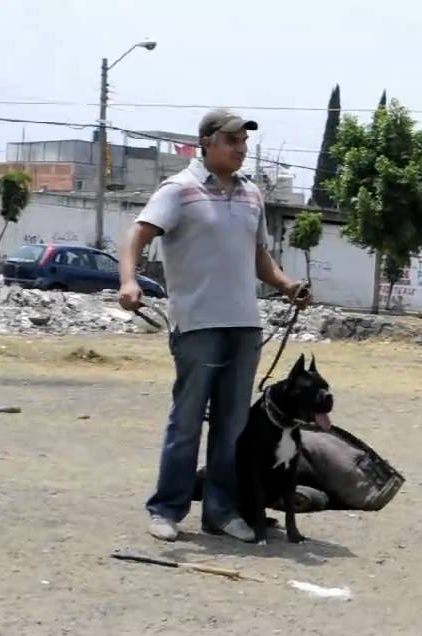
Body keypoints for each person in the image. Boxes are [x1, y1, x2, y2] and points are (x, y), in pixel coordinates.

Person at [118, 109, 309, 543]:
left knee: (232, 427)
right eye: (232, 140)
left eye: (244, 141)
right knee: (186, 422)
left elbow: (259, 256)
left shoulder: (252, 194)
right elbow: (137, 235)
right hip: (197, 325)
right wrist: (129, 281)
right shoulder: (178, 190)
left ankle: (221, 512)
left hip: (245, 326)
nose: (241, 148)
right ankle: (166, 509)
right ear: (206, 142)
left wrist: (286, 285)